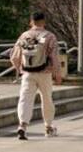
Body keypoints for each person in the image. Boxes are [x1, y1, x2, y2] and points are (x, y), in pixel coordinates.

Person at [10, 11, 63, 140]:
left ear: (31, 22)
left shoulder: (24, 36)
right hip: (44, 73)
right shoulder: (50, 36)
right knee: (47, 99)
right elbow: (54, 57)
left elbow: (15, 57)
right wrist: (57, 74)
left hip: (28, 73)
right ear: (44, 22)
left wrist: (20, 69)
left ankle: (22, 125)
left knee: (25, 99)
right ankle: (48, 127)